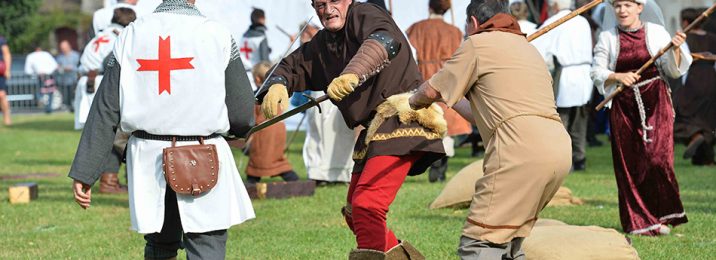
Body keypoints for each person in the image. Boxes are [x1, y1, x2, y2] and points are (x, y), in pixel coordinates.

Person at [257, 0, 445, 257]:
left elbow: (385, 40)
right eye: (320, 4)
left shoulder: (365, 12)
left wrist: (353, 73)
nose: (327, 9)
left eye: (334, 1)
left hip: (403, 115)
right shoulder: (323, 42)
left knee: (367, 206)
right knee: (355, 214)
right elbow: (292, 65)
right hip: (376, 128)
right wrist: (278, 83)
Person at [69, 0, 256, 258]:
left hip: (149, 156)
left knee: (160, 243)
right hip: (203, 151)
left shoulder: (131, 34)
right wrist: (241, 128)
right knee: (206, 243)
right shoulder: (217, 33)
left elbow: (106, 108)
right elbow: (242, 110)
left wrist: (86, 170)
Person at [409, 0, 571, 258]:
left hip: (519, 151)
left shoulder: (476, 43)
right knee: (510, 239)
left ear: (473, 23)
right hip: (559, 150)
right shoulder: (528, 49)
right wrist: (443, 97)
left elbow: (428, 90)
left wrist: (412, 100)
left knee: (479, 242)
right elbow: (479, 115)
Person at [591, 0, 690, 235]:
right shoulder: (607, 37)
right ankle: (640, 222)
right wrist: (617, 76)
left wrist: (675, 49)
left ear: (639, 7)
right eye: (617, 6)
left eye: (627, 5)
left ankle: (663, 213)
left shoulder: (656, 32)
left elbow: (672, 70)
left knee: (658, 159)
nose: (622, 10)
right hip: (624, 107)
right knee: (630, 164)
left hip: (656, 101)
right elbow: (596, 71)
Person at [407, 0, 472, 182]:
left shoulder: (415, 29)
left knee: (429, 124)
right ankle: (439, 165)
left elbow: (410, 58)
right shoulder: (455, 31)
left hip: (425, 81)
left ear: (429, 7)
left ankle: (434, 163)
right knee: (447, 125)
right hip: (447, 81)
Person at [76, 7, 136, 194]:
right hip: (104, 83)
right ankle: (108, 181)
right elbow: (112, 62)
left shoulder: (101, 35)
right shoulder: (121, 36)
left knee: (101, 134)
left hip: (88, 83)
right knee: (117, 134)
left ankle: (106, 180)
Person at [532, 0, 593, 171]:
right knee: (579, 119)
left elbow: (537, 46)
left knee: (562, 120)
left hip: (567, 74)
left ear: (554, 6)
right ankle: (578, 157)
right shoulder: (582, 21)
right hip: (583, 74)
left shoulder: (555, 22)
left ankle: (567, 159)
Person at [290, 23, 355, 185]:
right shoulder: (310, 50)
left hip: (339, 93)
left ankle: (342, 174)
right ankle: (318, 174)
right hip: (319, 94)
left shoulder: (341, 46)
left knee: (341, 134)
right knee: (318, 134)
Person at [673, 7, 716, 166]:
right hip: (711, 79)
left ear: (685, 22)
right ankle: (706, 159)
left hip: (693, 78)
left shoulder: (684, 39)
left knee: (683, 113)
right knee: (707, 117)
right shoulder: (713, 38)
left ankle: (694, 135)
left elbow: (682, 63)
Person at [246, 61, 299, 183]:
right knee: (276, 157)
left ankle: (252, 182)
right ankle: (292, 179)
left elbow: (252, 117)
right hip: (279, 129)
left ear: (257, 79)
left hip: (263, 131)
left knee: (258, 159)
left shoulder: (257, 95)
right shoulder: (278, 93)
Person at [240, 8, 271, 91]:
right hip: (256, 79)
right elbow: (265, 64)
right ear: (261, 19)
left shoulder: (244, 36)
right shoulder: (261, 37)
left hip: (242, 76)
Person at [25, 46, 59, 113]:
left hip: (42, 76)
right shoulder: (46, 54)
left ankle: (47, 107)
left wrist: (34, 73)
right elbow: (55, 65)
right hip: (47, 76)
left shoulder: (32, 56)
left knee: (44, 93)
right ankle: (47, 107)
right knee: (47, 93)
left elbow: (28, 70)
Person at [55, 40, 80, 110]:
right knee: (65, 95)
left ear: (69, 47)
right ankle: (67, 107)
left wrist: (71, 68)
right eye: (62, 48)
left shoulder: (76, 55)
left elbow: (79, 67)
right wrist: (60, 68)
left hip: (74, 79)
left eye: (64, 48)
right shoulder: (60, 57)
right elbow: (57, 67)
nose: (63, 50)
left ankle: (74, 107)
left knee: (73, 94)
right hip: (63, 80)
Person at [0, 35, 11, 126]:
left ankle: (7, 118)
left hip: (0, 72)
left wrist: (7, 69)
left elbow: (6, 54)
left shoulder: (1, 40)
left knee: (2, 95)